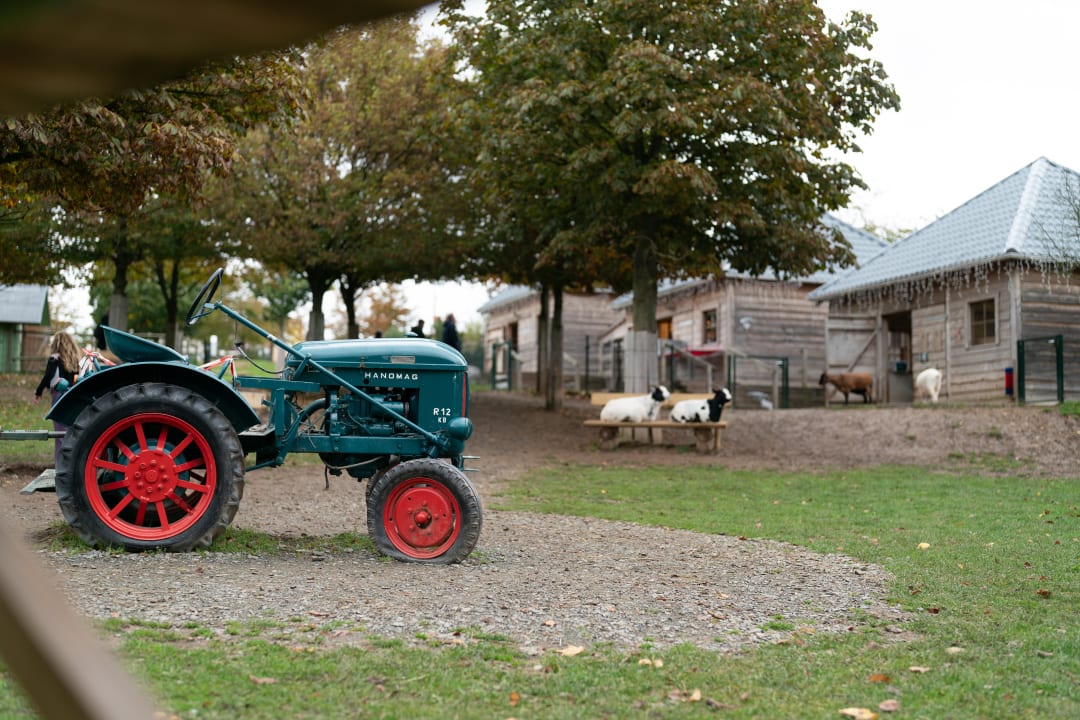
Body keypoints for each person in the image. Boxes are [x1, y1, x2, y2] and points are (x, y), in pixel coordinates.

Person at [34, 331, 80, 467]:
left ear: (56, 344)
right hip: (72, 395)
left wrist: (38, 392)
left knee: (60, 433)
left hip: (59, 395)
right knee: (70, 431)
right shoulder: (75, 360)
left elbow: (48, 376)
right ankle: (73, 463)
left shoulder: (54, 358)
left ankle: (61, 465)